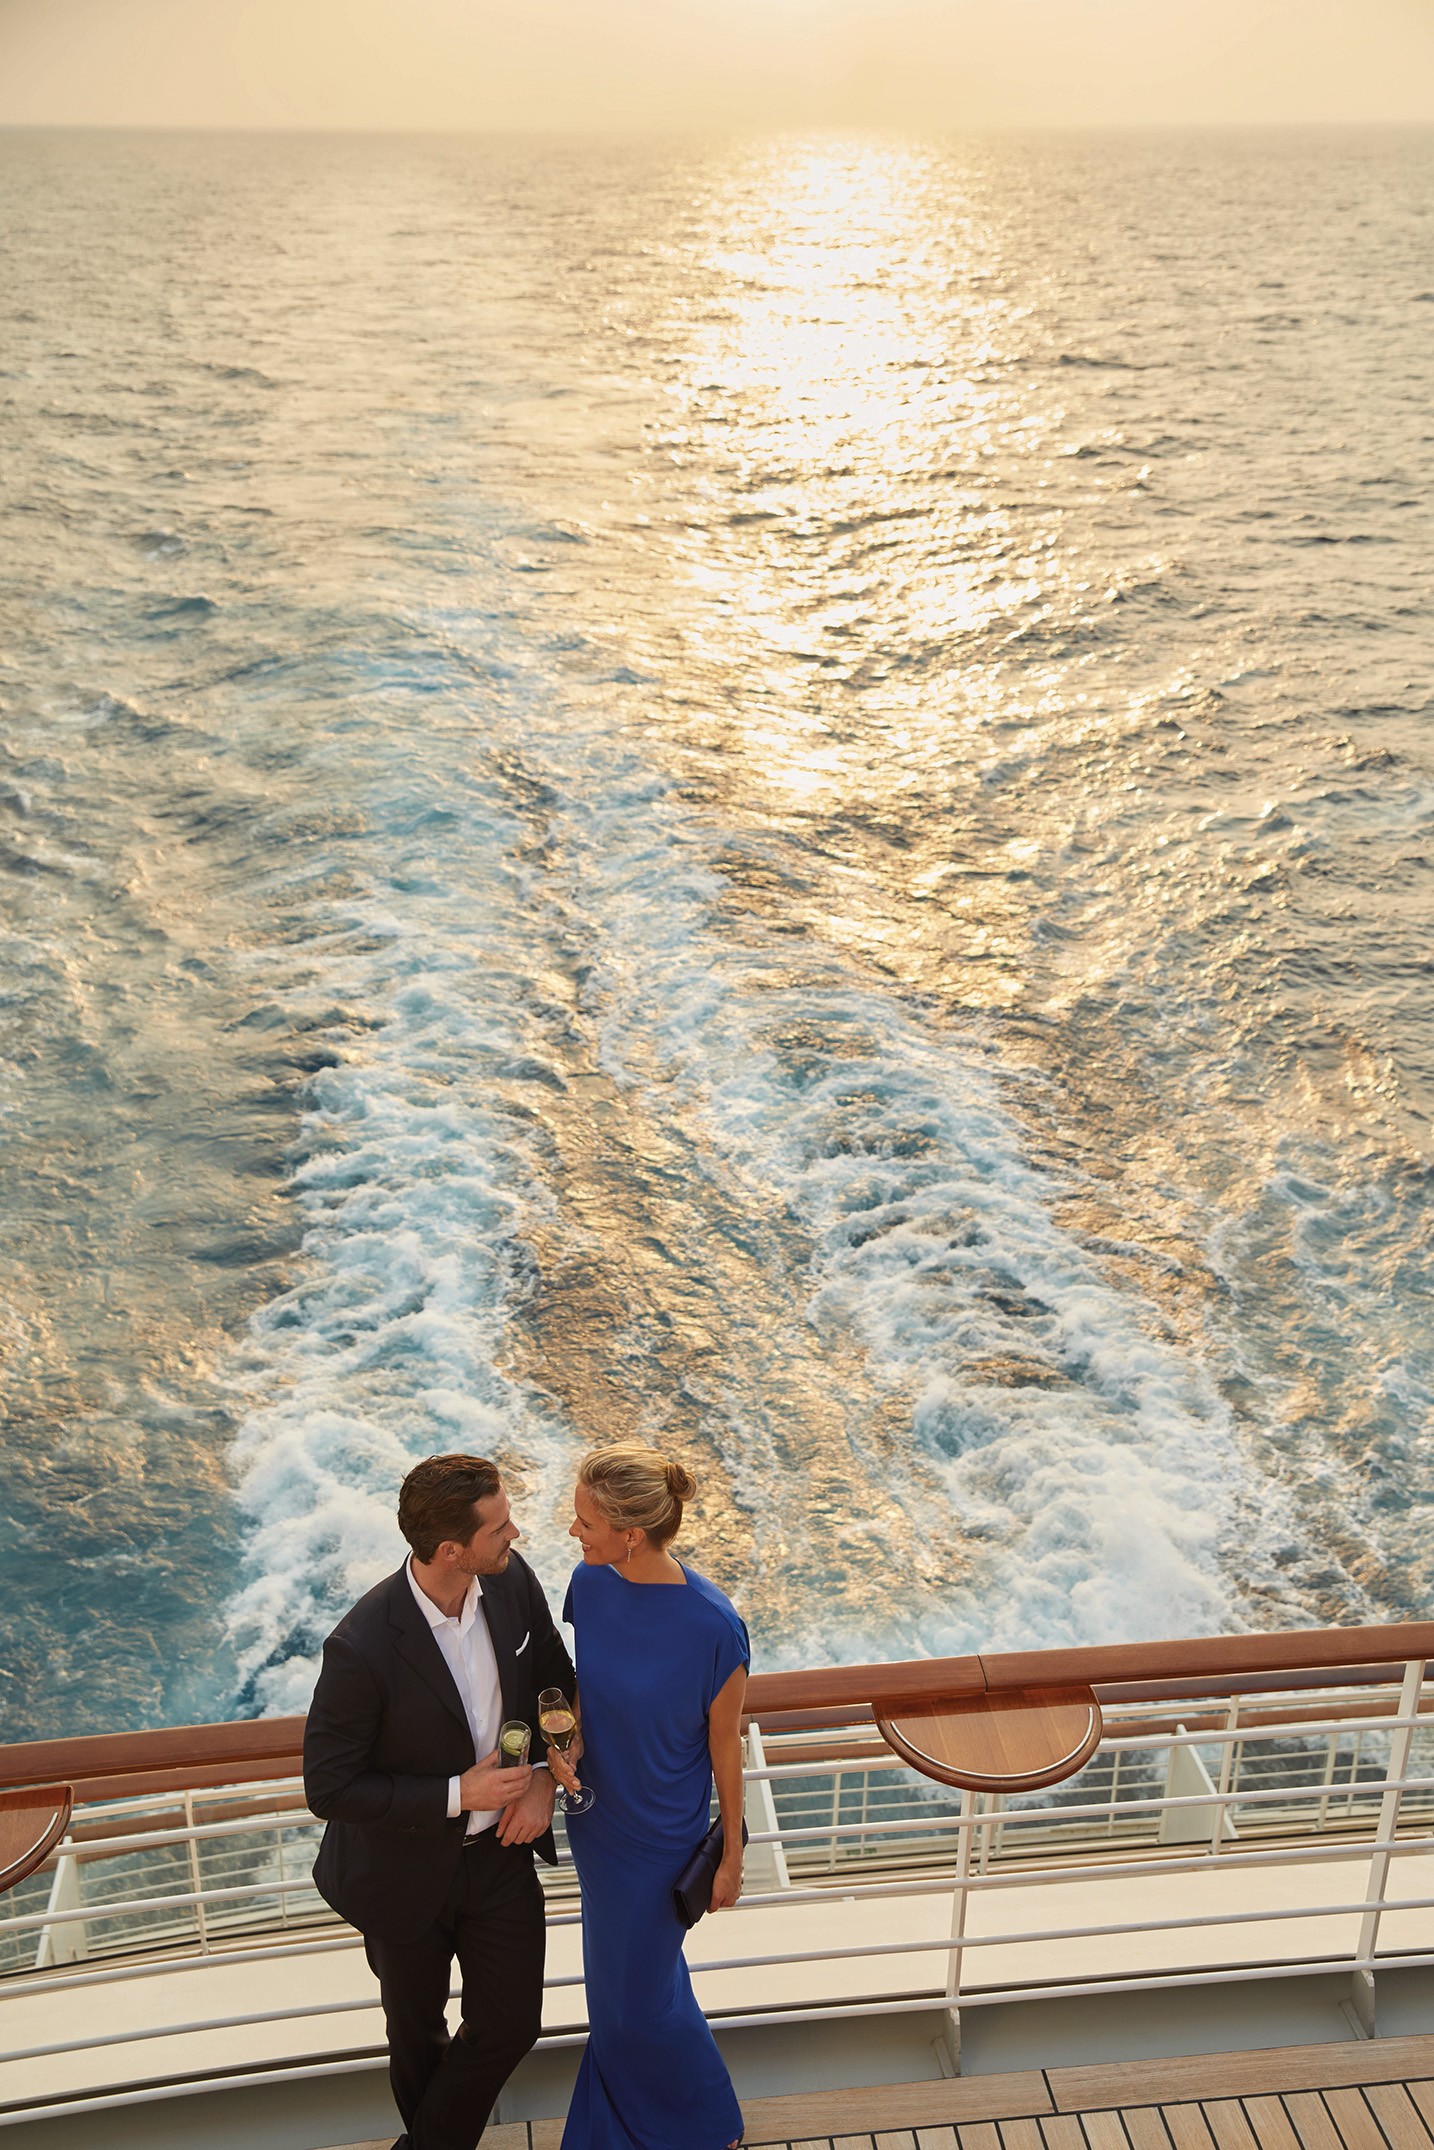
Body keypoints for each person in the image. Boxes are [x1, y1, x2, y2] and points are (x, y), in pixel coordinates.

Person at [303, 1454, 577, 2150]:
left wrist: (543, 1778)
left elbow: (556, 1682)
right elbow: (329, 1787)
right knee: (416, 2035)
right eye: (499, 1527)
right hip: (399, 1871)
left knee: (512, 2024)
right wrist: (460, 1793)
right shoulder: (361, 1646)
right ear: (451, 1550)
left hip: (502, 1853)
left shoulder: (512, 1581)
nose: (515, 1534)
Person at [557, 1444, 748, 2150]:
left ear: (631, 1534)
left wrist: (731, 1855)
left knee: (635, 2005)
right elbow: (591, 1681)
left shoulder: (714, 1627)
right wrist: (573, 1734)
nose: (573, 1532)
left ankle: (706, 2125)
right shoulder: (589, 1583)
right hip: (598, 1825)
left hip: (662, 1840)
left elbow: (725, 1749)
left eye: (585, 1522)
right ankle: (650, 2124)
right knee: (626, 1991)